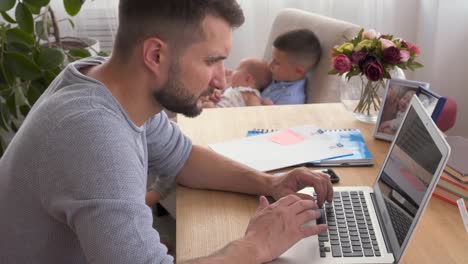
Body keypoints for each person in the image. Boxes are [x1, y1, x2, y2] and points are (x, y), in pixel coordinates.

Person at [0, 1, 333, 263]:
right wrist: (255, 246)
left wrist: (270, 183)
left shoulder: (111, 84)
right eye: (211, 61)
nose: (221, 79)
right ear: (155, 55)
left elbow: (184, 158)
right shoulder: (93, 135)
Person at [261, 29, 322, 105]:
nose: (270, 65)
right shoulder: (278, 77)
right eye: (272, 58)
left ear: (298, 71)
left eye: (276, 63)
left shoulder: (291, 100)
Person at [201, 57, 272, 108]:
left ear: (247, 79)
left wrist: (266, 107)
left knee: (207, 106)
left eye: (237, 69)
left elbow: (256, 111)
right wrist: (218, 95)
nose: (232, 72)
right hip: (218, 109)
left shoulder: (249, 93)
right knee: (204, 102)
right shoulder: (234, 88)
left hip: (224, 116)